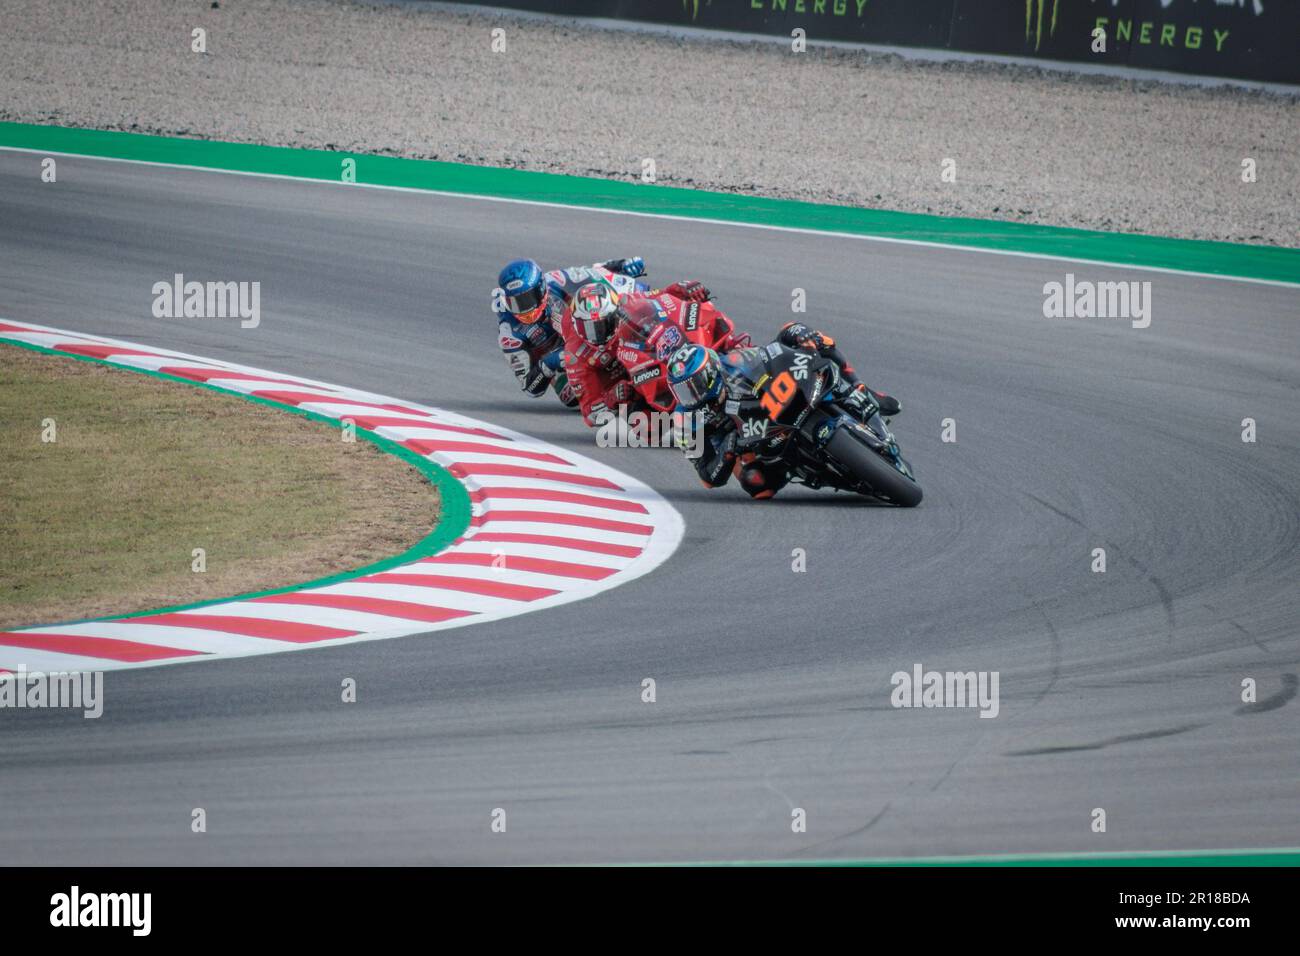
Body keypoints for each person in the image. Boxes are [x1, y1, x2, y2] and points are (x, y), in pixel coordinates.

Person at [666, 330, 900, 499]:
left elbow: (771, 353)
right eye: (684, 391)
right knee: (756, 484)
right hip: (748, 444)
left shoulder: (734, 361)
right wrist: (728, 451)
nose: (693, 395)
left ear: (712, 371)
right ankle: (811, 471)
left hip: (773, 406)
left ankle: (861, 388)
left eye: (696, 384)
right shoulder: (685, 423)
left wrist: (801, 338)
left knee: (813, 337)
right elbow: (708, 477)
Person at [561, 279, 730, 426]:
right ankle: (679, 422)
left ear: (615, 311)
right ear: (577, 325)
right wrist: (612, 398)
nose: (599, 333)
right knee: (644, 424)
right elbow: (590, 414)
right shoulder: (575, 356)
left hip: (644, 354)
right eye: (590, 328)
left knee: (707, 317)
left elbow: (657, 297)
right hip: (626, 384)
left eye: (605, 323)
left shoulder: (625, 302)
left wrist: (681, 289)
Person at [493, 257, 648, 407]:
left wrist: (621, 267)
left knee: (625, 310)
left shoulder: (555, 280)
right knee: (571, 397)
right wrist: (549, 362)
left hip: (589, 329)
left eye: (528, 299)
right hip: (562, 360)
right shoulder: (509, 333)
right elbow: (530, 388)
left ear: (541, 288)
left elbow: (589, 274)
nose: (525, 309)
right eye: (515, 303)